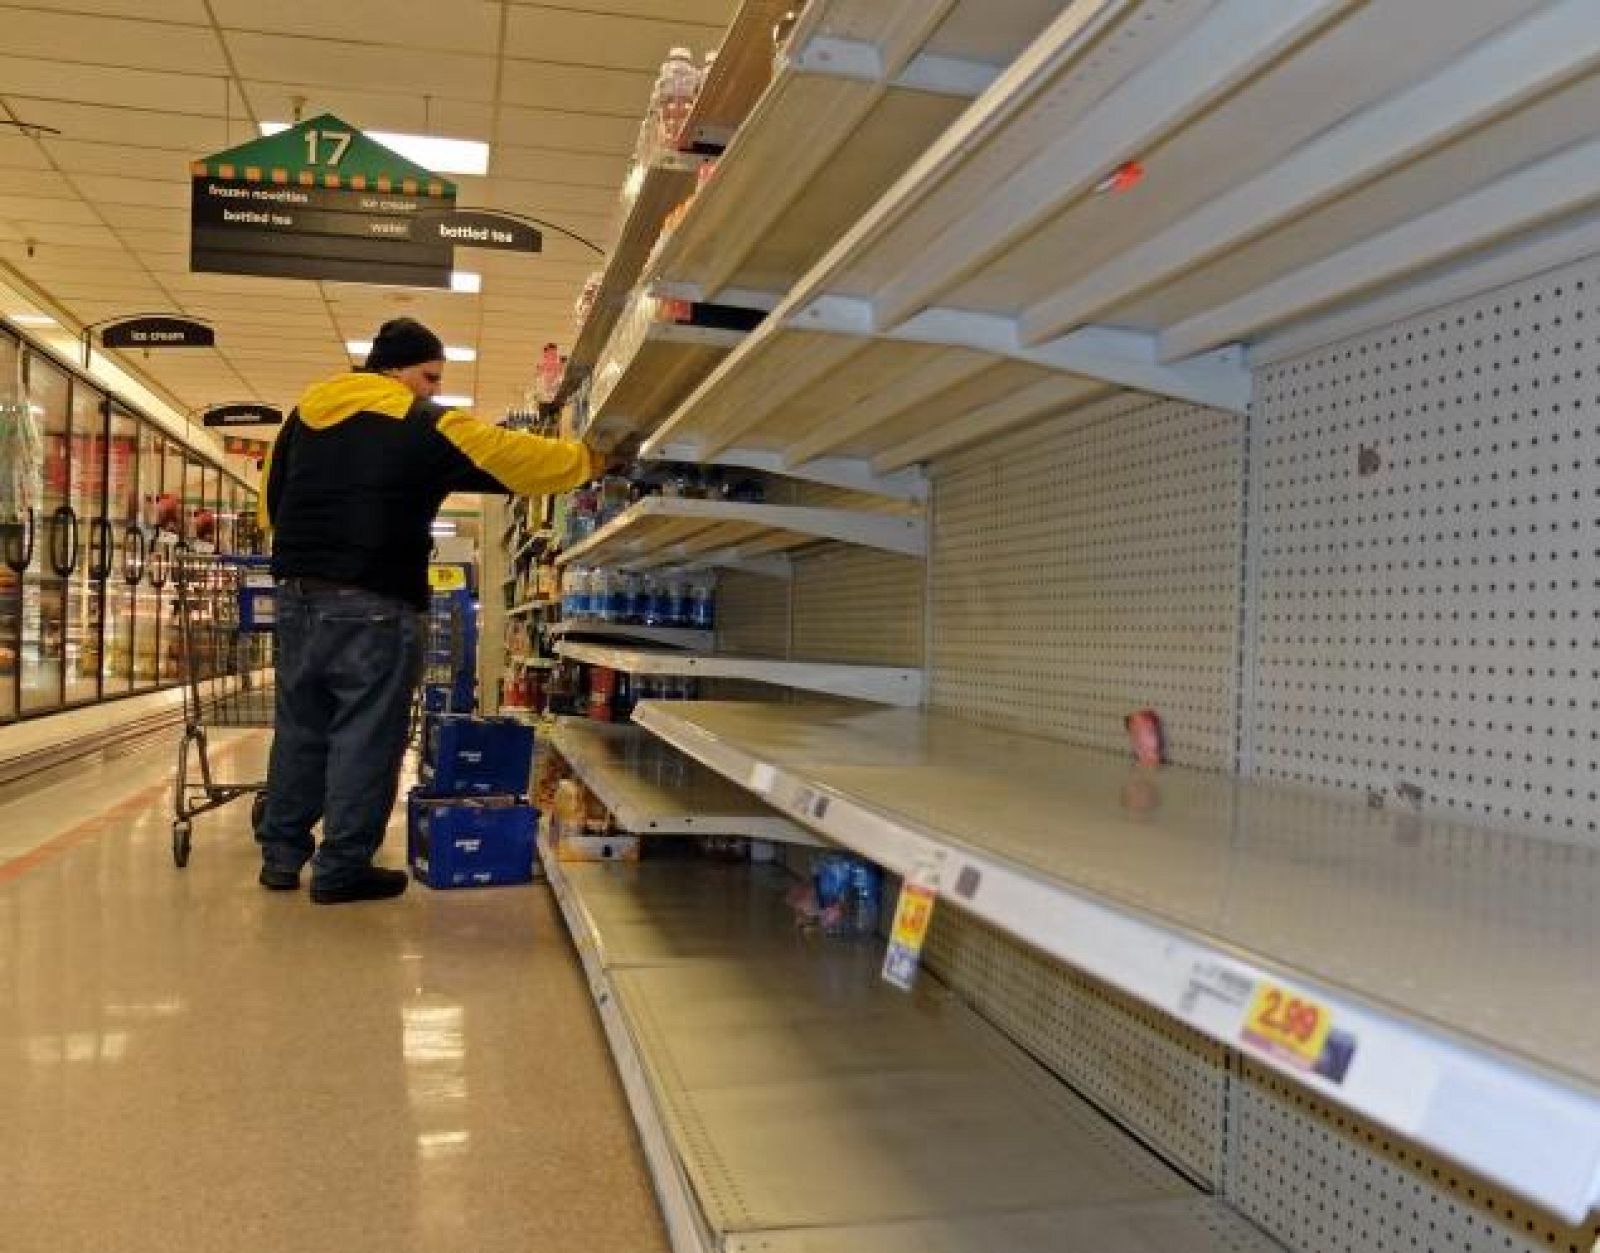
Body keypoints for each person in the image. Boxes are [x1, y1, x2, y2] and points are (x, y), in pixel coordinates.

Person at [255, 317, 602, 903]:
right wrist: (590, 461)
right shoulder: (419, 420)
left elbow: (270, 507)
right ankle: (341, 870)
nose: (434, 389)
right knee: (366, 734)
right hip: (373, 599)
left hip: (296, 596)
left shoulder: (302, 416)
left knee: (300, 728)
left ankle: (281, 858)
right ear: (397, 370)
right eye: (429, 376)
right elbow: (511, 456)